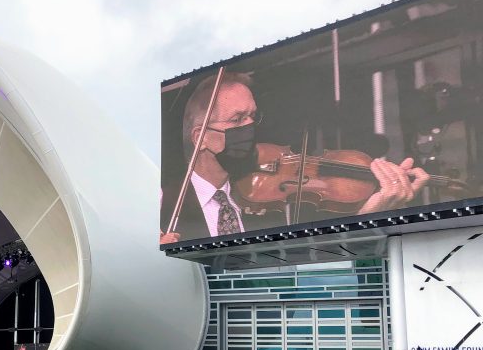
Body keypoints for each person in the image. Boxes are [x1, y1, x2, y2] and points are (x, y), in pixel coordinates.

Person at [160, 72, 429, 244]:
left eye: (253, 117)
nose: (250, 127)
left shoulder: (269, 203)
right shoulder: (161, 207)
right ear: (201, 138)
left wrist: (371, 213)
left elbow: (310, 270)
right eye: (237, 119)